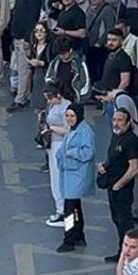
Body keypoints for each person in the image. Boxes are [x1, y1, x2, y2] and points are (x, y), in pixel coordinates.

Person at [99, 108, 138, 262]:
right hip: (112, 186)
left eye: (120, 120)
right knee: (117, 219)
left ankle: (131, 253)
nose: (116, 123)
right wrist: (104, 166)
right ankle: (122, 251)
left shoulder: (131, 140)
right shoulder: (116, 137)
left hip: (122, 189)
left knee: (125, 221)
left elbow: (134, 167)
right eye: (114, 120)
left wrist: (119, 184)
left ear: (128, 122)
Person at [57, 103, 96, 252]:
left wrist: (72, 153)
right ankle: (79, 235)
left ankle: (69, 239)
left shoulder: (85, 131)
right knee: (76, 208)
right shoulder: (73, 130)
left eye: (72, 116)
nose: (69, 119)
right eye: (67, 116)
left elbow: (88, 153)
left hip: (78, 174)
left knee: (69, 209)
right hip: (70, 173)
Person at [41, 84, 69, 226]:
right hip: (53, 144)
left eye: (50, 98)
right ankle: (60, 209)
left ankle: (63, 211)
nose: (48, 101)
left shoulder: (66, 108)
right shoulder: (54, 106)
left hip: (60, 144)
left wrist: (51, 128)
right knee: (54, 178)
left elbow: (68, 129)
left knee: (59, 178)